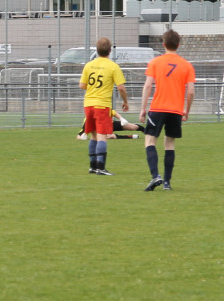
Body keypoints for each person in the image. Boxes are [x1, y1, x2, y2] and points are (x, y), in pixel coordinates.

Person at [139, 29, 195, 191]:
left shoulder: (155, 62)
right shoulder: (186, 65)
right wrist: (187, 111)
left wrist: (143, 109)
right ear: (178, 45)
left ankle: (156, 175)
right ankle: (167, 183)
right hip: (176, 110)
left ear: (163, 44)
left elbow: (148, 85)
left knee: (150, 141)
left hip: (157, 108)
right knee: (169, 144)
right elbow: (191, 91)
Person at [79, 37, 130, 175]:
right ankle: (101, 167)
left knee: (94, 136)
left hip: (88, 104)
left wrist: (94, 88)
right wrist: (125, 101)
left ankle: (92, 166)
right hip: (102, 105)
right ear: (109, 50)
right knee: (102, 136)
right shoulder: (113, 66)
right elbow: (121, 87)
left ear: (97, 50)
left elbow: (82, 85)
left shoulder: (89, 65)